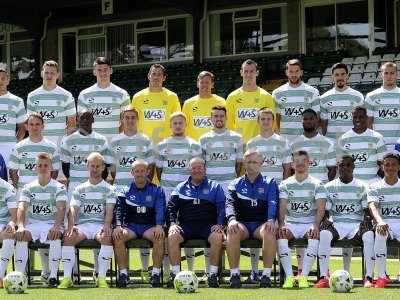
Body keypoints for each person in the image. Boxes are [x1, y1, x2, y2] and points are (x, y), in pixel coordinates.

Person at [58, 152, 117, 289]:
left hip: (99, 226)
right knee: (68, 237)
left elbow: (109, 209)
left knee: (107, 237)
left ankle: (101, 277)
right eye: (92, 166)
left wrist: (107, 225)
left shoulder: (110, 189)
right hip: (83, 226)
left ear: (103, 167)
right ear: (87, 166)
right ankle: (67, 277)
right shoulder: (79, 188)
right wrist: (71, 225)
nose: (95, 169)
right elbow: (73, 209)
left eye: (98, 166)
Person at [316, 155, 375, 288]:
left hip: (356, 224)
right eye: (342, 165)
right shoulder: (329, 186)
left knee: (369, 235)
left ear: (353, 167)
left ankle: (369, 277)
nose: (345, 168)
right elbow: (326, 211)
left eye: (348, 165)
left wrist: (366, 219)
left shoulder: (363, 186)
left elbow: (366, 210)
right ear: (337, 167)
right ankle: (323, 276)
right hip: (337, 224)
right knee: (324, 234)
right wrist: (325, 220)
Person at [166, 157, 225, 288]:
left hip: (208, 226)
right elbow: (171, 208)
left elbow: (222, 207)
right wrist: (172, 224)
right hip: (186, 226)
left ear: (205, 169)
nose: (197, 170)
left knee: (217, 236)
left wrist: (220, 224)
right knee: (172, 236)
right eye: (194, 167)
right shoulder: (180, 187)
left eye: (200, 167)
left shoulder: (215, 187)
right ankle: (175, 274)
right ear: (189, 169)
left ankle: (213, 275)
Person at [198, 105, 242, 280]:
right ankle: (210, 271)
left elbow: (239, 165)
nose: (218, 118)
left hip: (230, 188)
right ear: (211, 118)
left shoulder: (236, 138)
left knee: (229, 228)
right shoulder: (203, 139)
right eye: (215, 116)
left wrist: (230, 181)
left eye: (221, 116)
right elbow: (202, 166)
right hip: (210, 190)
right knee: (213, 229)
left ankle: (237, 271)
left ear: (226, 117)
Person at [155, 112, 201, 276]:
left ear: (186, 124)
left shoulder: (194, 145)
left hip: (187, 194)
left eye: (181, 122)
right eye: (175, 123)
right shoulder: (162, 145)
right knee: (170, 231)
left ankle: (191, 271)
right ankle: (168, 271)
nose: (178, 125)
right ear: (170, 125)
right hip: (168, 193)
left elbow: (197, 170)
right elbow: (159, 170)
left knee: (187, 229)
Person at [225, 149, 278, 288]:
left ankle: (266, 275)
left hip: (260, 225)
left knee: (270, 231)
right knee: (232, 230)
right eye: (248, 161)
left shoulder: (270, 182)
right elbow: (229, 204)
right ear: (244, 163)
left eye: (254, 162)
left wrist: (271, 219)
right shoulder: (235, 184)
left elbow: (273, 202)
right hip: (242, 224)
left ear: (261, 163)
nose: (251, 165)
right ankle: (235, 274)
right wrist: (231, 219)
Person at [15, 153, 67, 287]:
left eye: (46, 165)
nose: (43, 168)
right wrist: (20, 226)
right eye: (40, 165)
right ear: (35, 168)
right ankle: (20, 277)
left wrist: (56, 226)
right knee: (22, 236)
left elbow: (61, 209)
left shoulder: (59, 187)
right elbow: (21, 207)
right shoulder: (28, 187)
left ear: (51, 168)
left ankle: (53, 276)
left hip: (51, 224)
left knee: (55, 236)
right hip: (34, 224)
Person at [277, 150, 327, 289]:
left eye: (303, 161)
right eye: (297, 161)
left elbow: (321, 207)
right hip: (291, 223)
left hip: (309, 223)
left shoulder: (317, 184)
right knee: (281, 236)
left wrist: (315, 225)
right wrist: (281, 224)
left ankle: (303, 277)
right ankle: (289, 278)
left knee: (313, 236)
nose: (300, 164)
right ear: (292, 164)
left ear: (309, 163)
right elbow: (281, 206)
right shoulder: (285, 184)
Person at [113, 159, 165, 288]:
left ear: (148, 172)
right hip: (131, 227)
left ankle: (155, 274)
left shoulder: (157, 190)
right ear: (132, 172)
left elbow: (160, 209)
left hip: (149, 226)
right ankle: (124, 274)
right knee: (118, 236)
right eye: (137, 171)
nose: (140, 173)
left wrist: (159, 226)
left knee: (159, 236)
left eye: (142, 171)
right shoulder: (124, 191)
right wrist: (118, 226)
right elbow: (118, 211)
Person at [60, 111, 112, 200]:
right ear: (77, 121)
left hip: (96, 188)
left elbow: (105, 167)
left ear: (93, 120)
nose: (85, 120)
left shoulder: (102, 140)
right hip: (75, 188)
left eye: (88, 117)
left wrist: (97, 183)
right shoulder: (67, 141)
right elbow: (65, 166)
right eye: (82, 118)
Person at [78, 57, 130, 141]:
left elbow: (125, 121)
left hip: (114, 143)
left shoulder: (122, 94)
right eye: (99, 70)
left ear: (111, 70)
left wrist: (119, 139)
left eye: (105, 69)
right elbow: (82, 122)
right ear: (94, 72)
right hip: (92, 142)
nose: (103, 73)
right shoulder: (84, 94)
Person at [368, 153, 400, 288]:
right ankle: (381, 276)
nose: (390, 167)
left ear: (399, 167)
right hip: (384, 222)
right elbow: (372, 206)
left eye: (393, 164)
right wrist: (379, 220)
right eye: (387, 164)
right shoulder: (375, 186)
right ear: (382, 167)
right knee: (380, 232)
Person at [27, 60, 76, 146]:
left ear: (57, 75)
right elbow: (30, 124)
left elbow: (72, 122)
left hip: (60, 145)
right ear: (42, 73)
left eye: (52, 73)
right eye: (46, 72)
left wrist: (67, 144)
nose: (49, 76)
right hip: (39, 144)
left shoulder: (67, 95)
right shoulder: (32, 96)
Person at [226, 59, 275, 143]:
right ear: (241, 72)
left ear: (257, 73)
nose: (248, 74)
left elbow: (272, 124)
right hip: (240, 145)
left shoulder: (266, 96)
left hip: (261, 144)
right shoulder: (232, 97)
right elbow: (228, 124)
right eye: (246, 71)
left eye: (252, 71)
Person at [132, 64, 181, 144]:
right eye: (153, 74)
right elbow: (132, 122)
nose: (156, 77)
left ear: (164, 78)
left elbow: (178, 122)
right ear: (149, 76)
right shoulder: (137, 97)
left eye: (159, 75)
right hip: (143, 144)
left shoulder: (172, 97)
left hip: (166, 144)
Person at [110, 105, 154, 192]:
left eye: (133, 117)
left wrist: (144, 186)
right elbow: (112, 168)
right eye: (127, 118)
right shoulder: (114, 141)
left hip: (140, 189)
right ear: (122, 120)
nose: (130, 120)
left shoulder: (146, 140)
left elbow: (151, 166)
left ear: (137, 119)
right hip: (119, 189)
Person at [337, 106, 387, 184]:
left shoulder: (377, 137)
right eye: (355, 117)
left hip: (373, 183)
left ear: (366, 118)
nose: (358, 119)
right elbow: (341, 165)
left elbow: (382, 164)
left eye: (361, 117)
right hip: (352, 184)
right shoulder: (343, 139)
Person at [272, 59, 319, 140]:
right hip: (285, 140)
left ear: (301, 72)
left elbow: (317, 117)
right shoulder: (277, 93)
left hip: (305, 139)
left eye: (297, 71)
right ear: (286, 72)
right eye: (291, 71)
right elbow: (277, 118)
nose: (294, 74)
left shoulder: (312, 92)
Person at [290, 109, 336, 183]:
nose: (308, 121)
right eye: (305, 119)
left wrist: (324, 186)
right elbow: (291, 170)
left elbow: (332, 169)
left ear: (316, 120)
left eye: (311, 118)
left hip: (320, 190)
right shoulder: (293, 144)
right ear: (301, 121)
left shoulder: (328, 143)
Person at [320, 63, 364, 140]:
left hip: (353, 140)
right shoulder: (324, 98)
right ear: (332, 77)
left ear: (347, 75)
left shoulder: (358, 96)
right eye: (337, 75)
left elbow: (362, 121)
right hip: (332, 141)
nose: (340, 77)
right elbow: (324, 124)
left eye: (343, 74)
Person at [247, 108, 291, 184]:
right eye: (263, 119)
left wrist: (282, 188)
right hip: (258, 188)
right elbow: (250, 170)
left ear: (273, 121)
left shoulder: (284, 142)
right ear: (258, 121)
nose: (266, 121)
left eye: (268, 119)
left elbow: (287, 169)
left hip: (277, 188)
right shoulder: (251, 143)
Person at [365, 62, 400, 151]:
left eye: (392, 73)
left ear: (397, 74)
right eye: (386, 73)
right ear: (381, 74)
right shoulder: (371, 96)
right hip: (380, 145)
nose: (389, 76)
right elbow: (368, 123)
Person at [182, 71, 225, 141]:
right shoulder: (188, 103)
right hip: (195, 147)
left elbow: (226, 125)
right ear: (197, 84)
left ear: (212, 84)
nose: (204, 85)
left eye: (207, 82)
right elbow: (183, 127)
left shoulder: (221, 102)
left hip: (216, 145)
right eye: (202, 82)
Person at [0, 67, 26, 166]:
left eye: (2, 78)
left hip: (9, 148)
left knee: (8, 180)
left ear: (8, 80)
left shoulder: (17, 101)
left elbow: (22, 128)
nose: (0, 82)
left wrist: (14, 145)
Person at [0, 177, 17, 288]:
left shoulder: (7, 188)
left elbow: (14, 215)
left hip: (2, 223)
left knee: (10, 235)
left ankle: (0, 276)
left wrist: (11, 223)